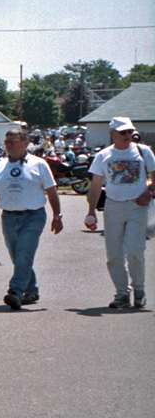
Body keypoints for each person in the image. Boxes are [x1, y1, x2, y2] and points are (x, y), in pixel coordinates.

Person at [0, 129, 64, 309]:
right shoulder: (0, 166)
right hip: (9, 217)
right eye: (6, 141)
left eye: (13, 141)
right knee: (17, 257)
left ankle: (15, 292)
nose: (9, 144)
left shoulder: (39, 164)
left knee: (25, 253)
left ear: (26, 143)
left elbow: (51, 191)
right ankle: (31, 289)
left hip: (33, 217)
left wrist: (57, 216)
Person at [85, 117, 155, 309]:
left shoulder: (143, 152)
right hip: (113, 207)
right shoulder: (104, 155)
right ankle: (122, 293)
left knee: (135, 250)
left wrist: (149, 193)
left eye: (130, 132)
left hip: (137, 206)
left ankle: (139, 291)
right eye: (122, 132)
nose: (127, 135)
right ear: (112, 133)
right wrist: (91, 210)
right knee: (114, 254)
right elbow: (96, 185)